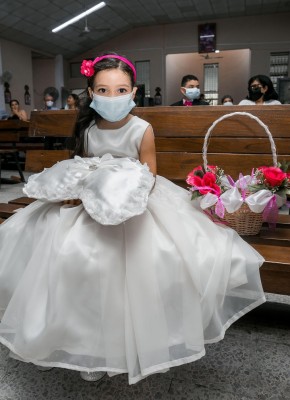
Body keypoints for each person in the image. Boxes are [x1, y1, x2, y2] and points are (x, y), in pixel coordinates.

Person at [0, 53, 265, 385]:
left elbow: (150, 172)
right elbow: (81, 165)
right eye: (104, 90)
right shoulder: (88, 127)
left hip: (134, 200)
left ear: (134, 92)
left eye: (121, 89)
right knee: (66, 252)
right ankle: (80, 337)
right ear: (91, 92)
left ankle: (142, 335)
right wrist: (76, 189)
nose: (113, 98)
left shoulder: (142, 129)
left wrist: (123, 192)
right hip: (89, 201)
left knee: (156, 256)